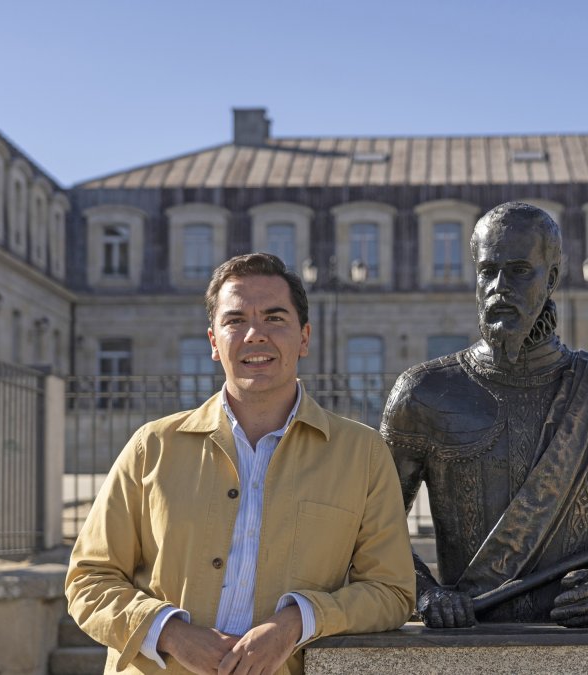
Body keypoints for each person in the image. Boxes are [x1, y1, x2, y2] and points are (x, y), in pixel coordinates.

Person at [66, 252, 414, 675]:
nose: (255, 335)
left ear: (304, 338)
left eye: (274, 318)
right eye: (235, 321)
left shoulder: (361, 453)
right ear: (213, 342)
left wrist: (296, 623)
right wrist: (171, 633)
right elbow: (88, 580)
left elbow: (391, 592)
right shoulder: (151, 447)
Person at [382, 201, 588, 629]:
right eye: (487, 271)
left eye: (519, 270)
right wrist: (428, 595)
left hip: (574, 643)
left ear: (551, 278)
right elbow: (374, 528)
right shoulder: (423, 393)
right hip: (466, 642)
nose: (499, 286)